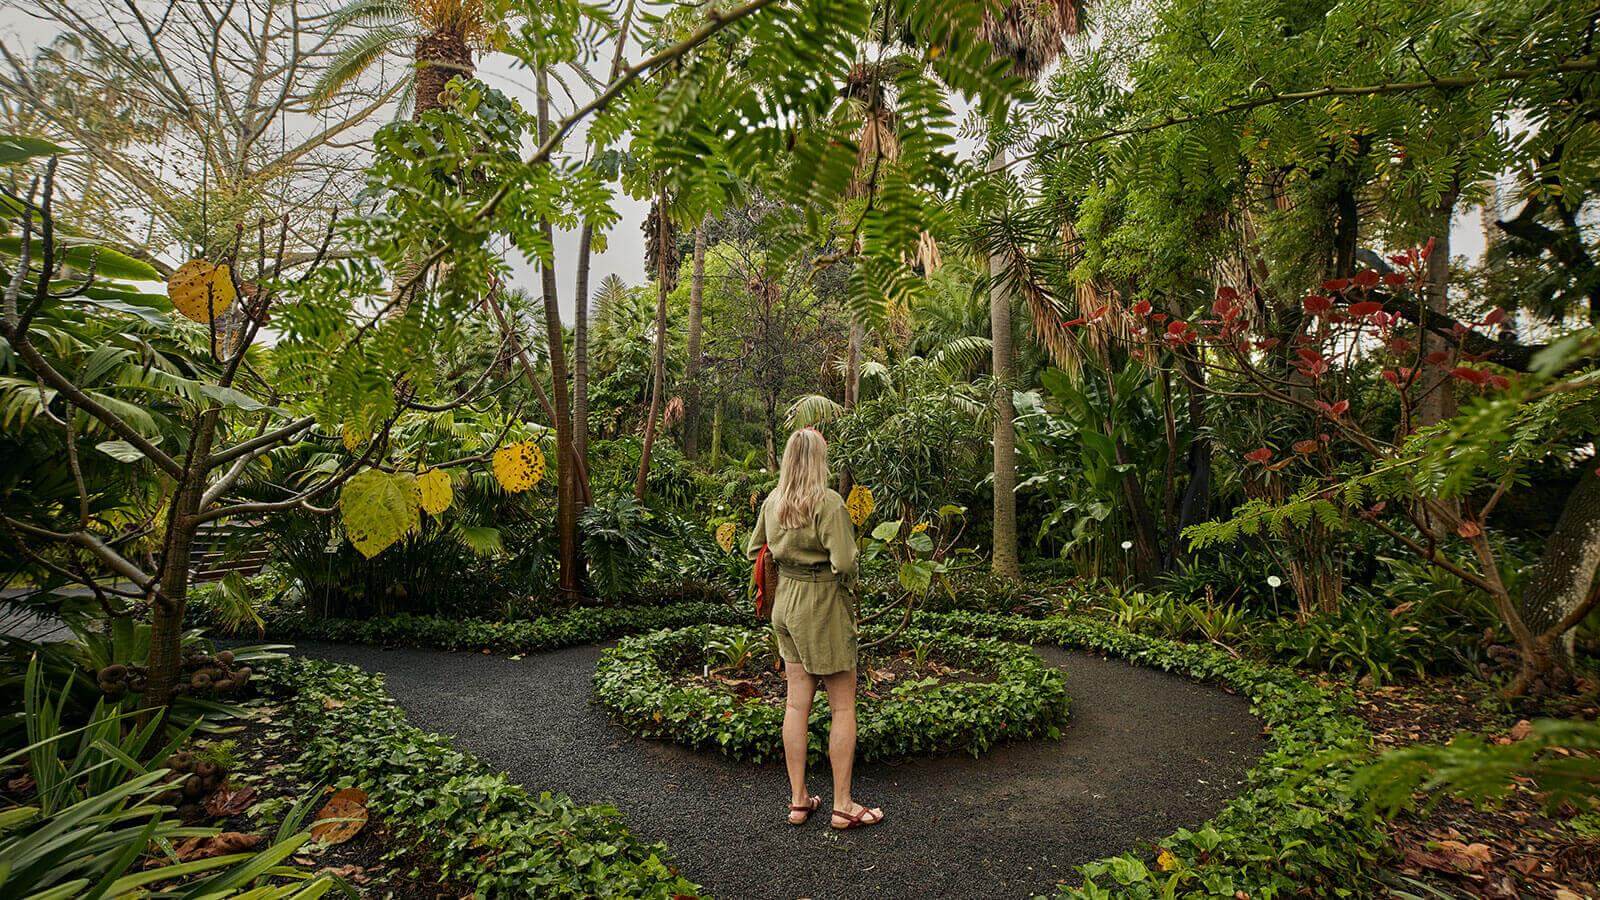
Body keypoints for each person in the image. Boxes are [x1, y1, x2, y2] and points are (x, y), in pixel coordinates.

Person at [746, 428, 884, 830]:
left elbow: (755, 550)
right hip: (821, 603)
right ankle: (843, 806)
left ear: (789, 459)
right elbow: (844, 563)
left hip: (784, 604)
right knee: (842, 705)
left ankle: (798, 800)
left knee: (795, 704)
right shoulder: (827, 503)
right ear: (819, 460)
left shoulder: (774, 502)